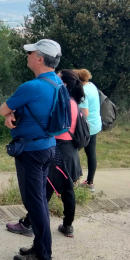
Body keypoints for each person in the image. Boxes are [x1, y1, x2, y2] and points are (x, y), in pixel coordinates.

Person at [0, 38, 63, 260]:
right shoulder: (59, 84)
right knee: (39, 201)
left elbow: (3, 109)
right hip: (49, 147)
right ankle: (38, 248)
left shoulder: (32, 86)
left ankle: (43, 256)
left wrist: (8, 115)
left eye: (31, 52)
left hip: (31, 151)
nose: (27, 55)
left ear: (40, 59)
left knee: (34, 203)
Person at [7, 69, 84, 238]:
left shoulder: (60, 101)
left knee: (43, 191)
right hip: (71, 151)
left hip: (57, 148)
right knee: (67, 189)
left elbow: (50, 124)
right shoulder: (73, 103)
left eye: (58, 77)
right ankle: (67, 225)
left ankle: (30, 225)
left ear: (63, 84)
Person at [75, 69, 102, 191]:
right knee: (91, 153)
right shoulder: (91, 85)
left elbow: (84, 112)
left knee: (72, 152)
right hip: (95, 124)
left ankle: (73, 180)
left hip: (86, 127)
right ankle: (90, 182)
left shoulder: (83, 91)